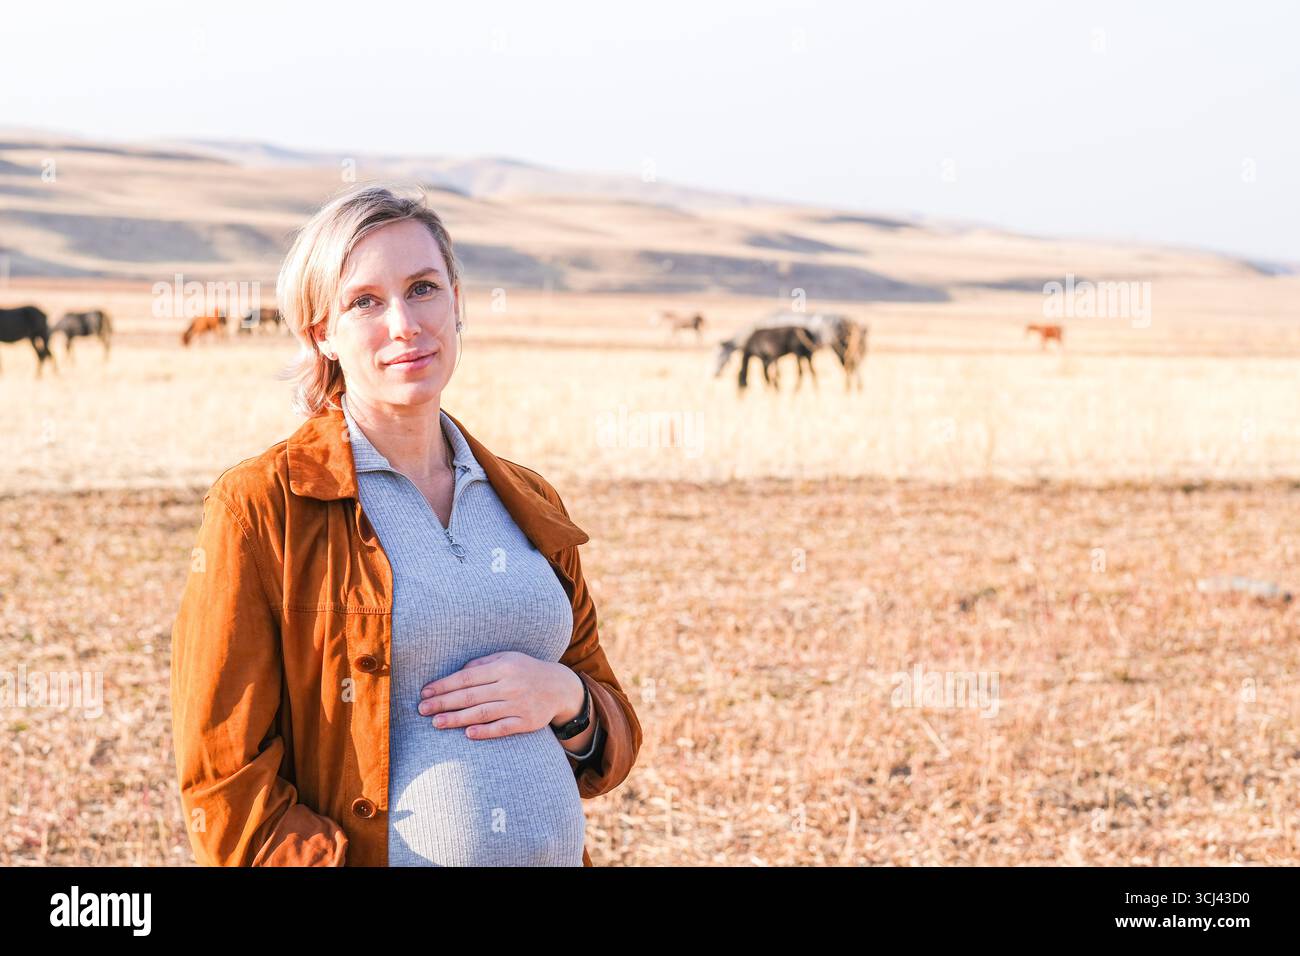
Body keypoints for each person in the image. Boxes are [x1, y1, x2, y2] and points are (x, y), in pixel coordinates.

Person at [169, 183, 641, 866]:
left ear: (456, 303)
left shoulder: (528, 498)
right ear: (321, 334)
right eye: (365, 301)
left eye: (423, 288)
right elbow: (224, 783)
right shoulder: (262, 506)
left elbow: (613, 726)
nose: (404, 324)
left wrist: (564, 696)